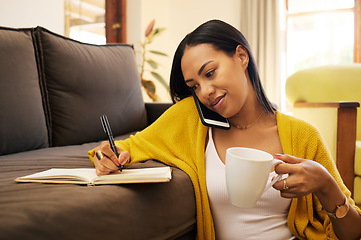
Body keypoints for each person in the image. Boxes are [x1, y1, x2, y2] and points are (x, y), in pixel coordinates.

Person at [89, 19, 361, 239]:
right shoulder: (191, 119)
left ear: (241, 56)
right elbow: (129, 147)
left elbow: (353, 231)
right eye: (194, 85)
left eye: (210, 73)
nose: (204, 91)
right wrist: (107, 155)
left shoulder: (302, 136)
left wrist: (326, 186)